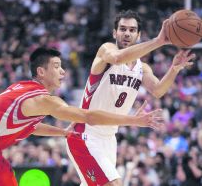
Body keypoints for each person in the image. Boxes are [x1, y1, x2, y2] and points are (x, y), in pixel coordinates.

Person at [0, 47, 163, 186]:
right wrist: (133, 121)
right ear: (41, 72)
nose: (63, 72)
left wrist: (61, 132)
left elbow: (31, 127)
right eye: (57, 66)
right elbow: (87, 116)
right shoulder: (44, 100)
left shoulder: (23, 89)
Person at [66, 10, 196, 186]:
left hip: (109, 139)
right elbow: (118, 58)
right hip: (85, 134)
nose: (127, 33)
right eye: (122, 29)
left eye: (132, 30)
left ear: (138, 34)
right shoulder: (106, 51)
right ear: (115, 33)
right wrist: (158, 41)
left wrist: (174, 69)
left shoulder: (142, 68)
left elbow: (158, 90)